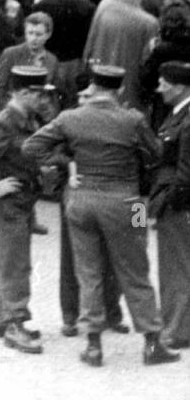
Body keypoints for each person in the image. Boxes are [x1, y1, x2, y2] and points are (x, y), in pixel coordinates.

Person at [24, 65, 179, 367]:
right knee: (137, 269)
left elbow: (31, 147)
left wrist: (66, 161)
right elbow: (157, 154)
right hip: (130, 202)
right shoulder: (132, 119)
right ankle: (152, 342)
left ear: (93, 87)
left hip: (81, 200)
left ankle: (93, 345)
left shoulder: (70, 118)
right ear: (119, 90)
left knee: (88, 272)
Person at [0, 65, 58, 352]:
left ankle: (4, 317)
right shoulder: (6, 123)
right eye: (37, 94)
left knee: (10, 260)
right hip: (9, 204)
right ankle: (14, 323)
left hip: (22, 201)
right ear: (22, 92)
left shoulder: (27, 119)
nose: (42, 99)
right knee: (15, 264)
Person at [151, 61, 190, 350]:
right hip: (171, 203)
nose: (159, 87)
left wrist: (168, 202)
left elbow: (185, 171)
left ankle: (177, 330)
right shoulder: (178, 113)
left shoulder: (186, 119)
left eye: (164, 83)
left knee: (176, 267)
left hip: (177, 206)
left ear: (179, 87)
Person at [82, 0, 157, 105]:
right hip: (128, 87)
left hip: (99, 78)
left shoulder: (105, 7)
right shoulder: (149, 23)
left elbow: (90, 44)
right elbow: (147, 62)